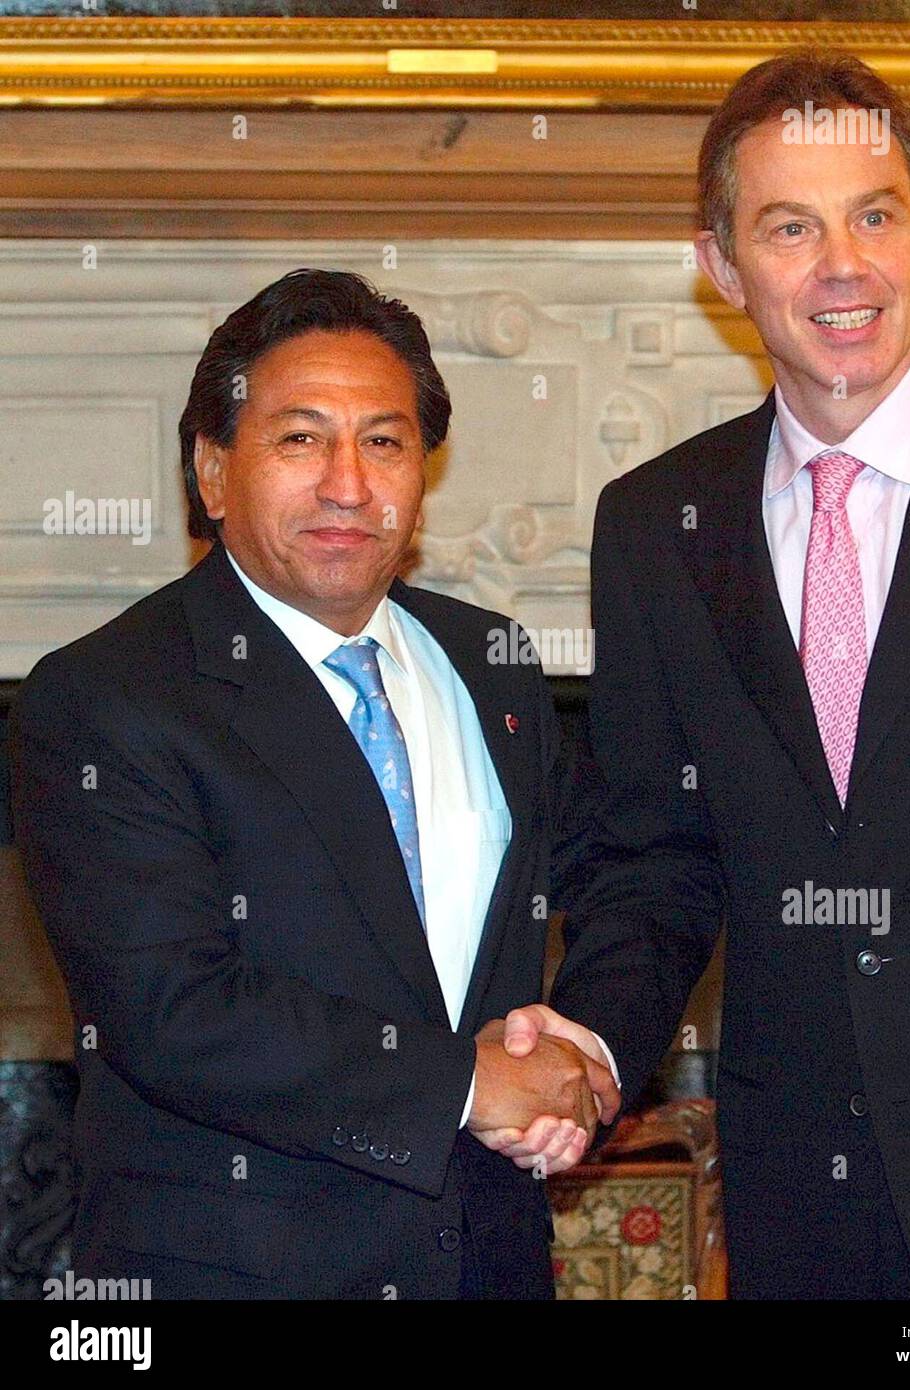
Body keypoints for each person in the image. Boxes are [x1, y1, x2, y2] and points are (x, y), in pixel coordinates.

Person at [495, 50, 910, 1300]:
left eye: (874, 214)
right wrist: (590, 1039)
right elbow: (656, 852)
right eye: (788, 226)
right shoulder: (657, 523)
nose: (841, 266)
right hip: (805, 1203)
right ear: (719, 266)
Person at [8, 268, 619, 1301]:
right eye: (300, 438)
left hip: (486, 1262)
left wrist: (582, 1056)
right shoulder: (105, 695)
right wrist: (473, 1084)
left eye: (383, 441)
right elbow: (173, 1008)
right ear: (211, 471)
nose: (348, 482)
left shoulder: (497, 664)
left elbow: (612, 876)